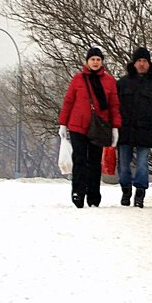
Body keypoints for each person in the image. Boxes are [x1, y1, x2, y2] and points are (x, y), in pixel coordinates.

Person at [57, 46, 121, 208]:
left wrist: (115, 127)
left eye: (98, 59)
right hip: (78, 126)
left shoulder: (109, 81)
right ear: (87, 61)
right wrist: (63, 124)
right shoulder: (78, 79)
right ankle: (78, 192)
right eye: (92, 59)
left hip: (98, 128)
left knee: (94, 162)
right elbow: (68, 101)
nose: (95, 62)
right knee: (79, 160)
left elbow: (114, 105)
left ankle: (93, 196)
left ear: (102, 62)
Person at [115, 46, 152, 208]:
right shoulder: (122, 83)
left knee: (142, 165)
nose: (141, 64)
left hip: (145, 131)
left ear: (149, 63)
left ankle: (140, 193)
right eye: (139, 61)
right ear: (133, 63)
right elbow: (113, 104)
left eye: (144, 61)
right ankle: (126, 190)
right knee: (124, 165)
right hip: (124, 130)